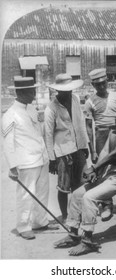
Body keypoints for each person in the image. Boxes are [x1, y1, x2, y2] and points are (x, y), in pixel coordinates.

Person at [54, 103, 116, 256]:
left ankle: (88, 241)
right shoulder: (114, 131)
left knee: (89, 197)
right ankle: (74, 234)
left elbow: (114, 154)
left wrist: (93, 169)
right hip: (109, 174)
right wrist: (97, 172)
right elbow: (105, 152)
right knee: (77, 194)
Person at [1, 76, 59, 240]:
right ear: (21, 92)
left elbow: (38, 134)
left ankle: (39, 222)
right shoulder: (10, 115)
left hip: (41, 159)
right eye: (31, 91)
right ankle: (23, 225)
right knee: (26, 195)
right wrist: (12, 167)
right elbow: (8, 143)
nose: (34, 93)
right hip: (26, 162)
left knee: (42, 192)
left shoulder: (31, 109)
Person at [84, 68, 116, 221]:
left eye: (103, 83)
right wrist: (92, 150)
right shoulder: (90, 101)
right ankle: (106, 205)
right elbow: (88, 127)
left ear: (107, 81)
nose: (101, 86)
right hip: (100, 135)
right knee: (102, 169)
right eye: (97, 84)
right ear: (93, 85)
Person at [44, 73, 90, 223]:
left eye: (70, 90)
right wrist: (52, 158)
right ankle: (64, 215)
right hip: (63, 152)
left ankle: (78, 213)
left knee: (81, 183)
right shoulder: (51, 108)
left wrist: (85, 145)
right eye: (64, 90)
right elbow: (48, 134)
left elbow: (81, 123)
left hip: (78, 149)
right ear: (58, 90)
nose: (68, 93)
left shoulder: (75, 99)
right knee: (64, 186)